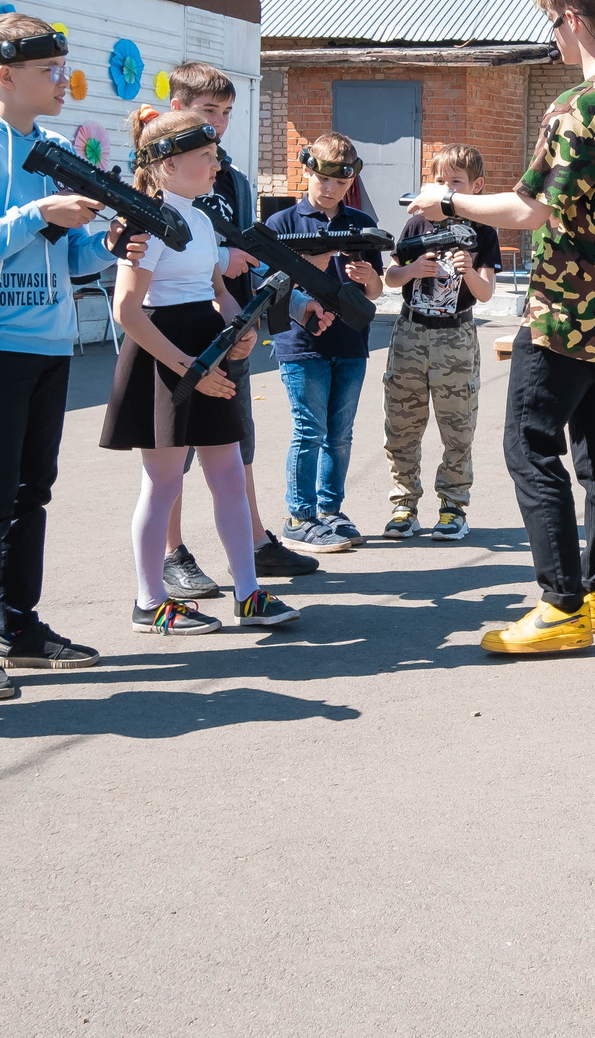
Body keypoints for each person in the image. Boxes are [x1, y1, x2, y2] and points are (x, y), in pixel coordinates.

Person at [411, 0, 595, 656]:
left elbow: (529, 208)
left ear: (575, 21)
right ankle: (593, 596)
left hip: (563, 314)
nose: (552, 37)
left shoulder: (578, 109)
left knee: (528, 445)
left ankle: (559, 605)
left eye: (553, 23)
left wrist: (447, 200)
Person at [0, 11, 121, 702]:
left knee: (33, 490)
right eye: (48, 70)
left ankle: (20, 626)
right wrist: (40, 214)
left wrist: (106, 242)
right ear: (3, 75)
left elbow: (70, 255)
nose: (62, 81)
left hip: (51, 338)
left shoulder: (55, 144)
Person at [99, 106, 298, 634]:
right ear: (164, 165)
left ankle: (248, 593)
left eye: (215, 156)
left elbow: (215, 291)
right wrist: (189, 368)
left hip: (207, 352)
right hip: (163, 355)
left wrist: (241, 326)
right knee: (162, 484)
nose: (216, 166)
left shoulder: (202, 217)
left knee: (230, 476)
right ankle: (149, 602)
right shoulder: (146, 220)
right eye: (205, 157)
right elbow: (127, 311)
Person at [148, 62, 320, 599]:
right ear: (177, 110)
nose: (219, 125)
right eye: (207, 112)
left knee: (233, 444)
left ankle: (253, 546)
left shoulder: (234, 179)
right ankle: (171, 554)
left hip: (228, 329)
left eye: (226, 114)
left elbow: (246, 253)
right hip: (175, 334)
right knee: (171, 456)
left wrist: (252, 317)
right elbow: (154, 263)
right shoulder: (160, 180)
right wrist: (224, 257)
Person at [264, 133, 387, 553]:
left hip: (351, 341)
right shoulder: (281, 225)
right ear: (308, 170)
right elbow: (266, 287)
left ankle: (330, 511)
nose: (330, 188)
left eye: (340, 180)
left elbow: (375, 290)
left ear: (350, 180)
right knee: (308, 430)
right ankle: (300, 515)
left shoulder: (360, 225)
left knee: (340, 434)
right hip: (300, 344)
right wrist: (308, 267)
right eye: (322, 177)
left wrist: (371, 281)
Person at [379, 143, 501, 542]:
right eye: (439, 180)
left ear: (475, 187)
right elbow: (390, 279)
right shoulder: (417, 223)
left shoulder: (482, 230)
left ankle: (452, 507)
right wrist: (412, 269)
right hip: (411, 333)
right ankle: (404, 504)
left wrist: (468, 272)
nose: (445, 188)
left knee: (457, 425)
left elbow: (485, 294)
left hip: (456, 336)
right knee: (402, 423)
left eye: (456, 182)